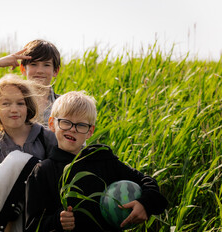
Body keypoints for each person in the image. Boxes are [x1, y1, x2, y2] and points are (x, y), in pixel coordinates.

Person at [25, 91, 168, 232]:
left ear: (90, 131)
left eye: (81, 125)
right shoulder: (42, 171)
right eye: (66, 122)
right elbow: (32, 225)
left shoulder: (103, 160)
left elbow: (149, 184)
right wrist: (57, 221)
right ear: (52, 124)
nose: (73, 129)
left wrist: (145, 204)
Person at [0, 74, 57, 232]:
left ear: (28, 107)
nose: (14, 109)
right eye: (6, 103)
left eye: (20, 103)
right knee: (17, 160)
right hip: (8, 225)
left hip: (43, 219)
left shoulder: (46, 138)